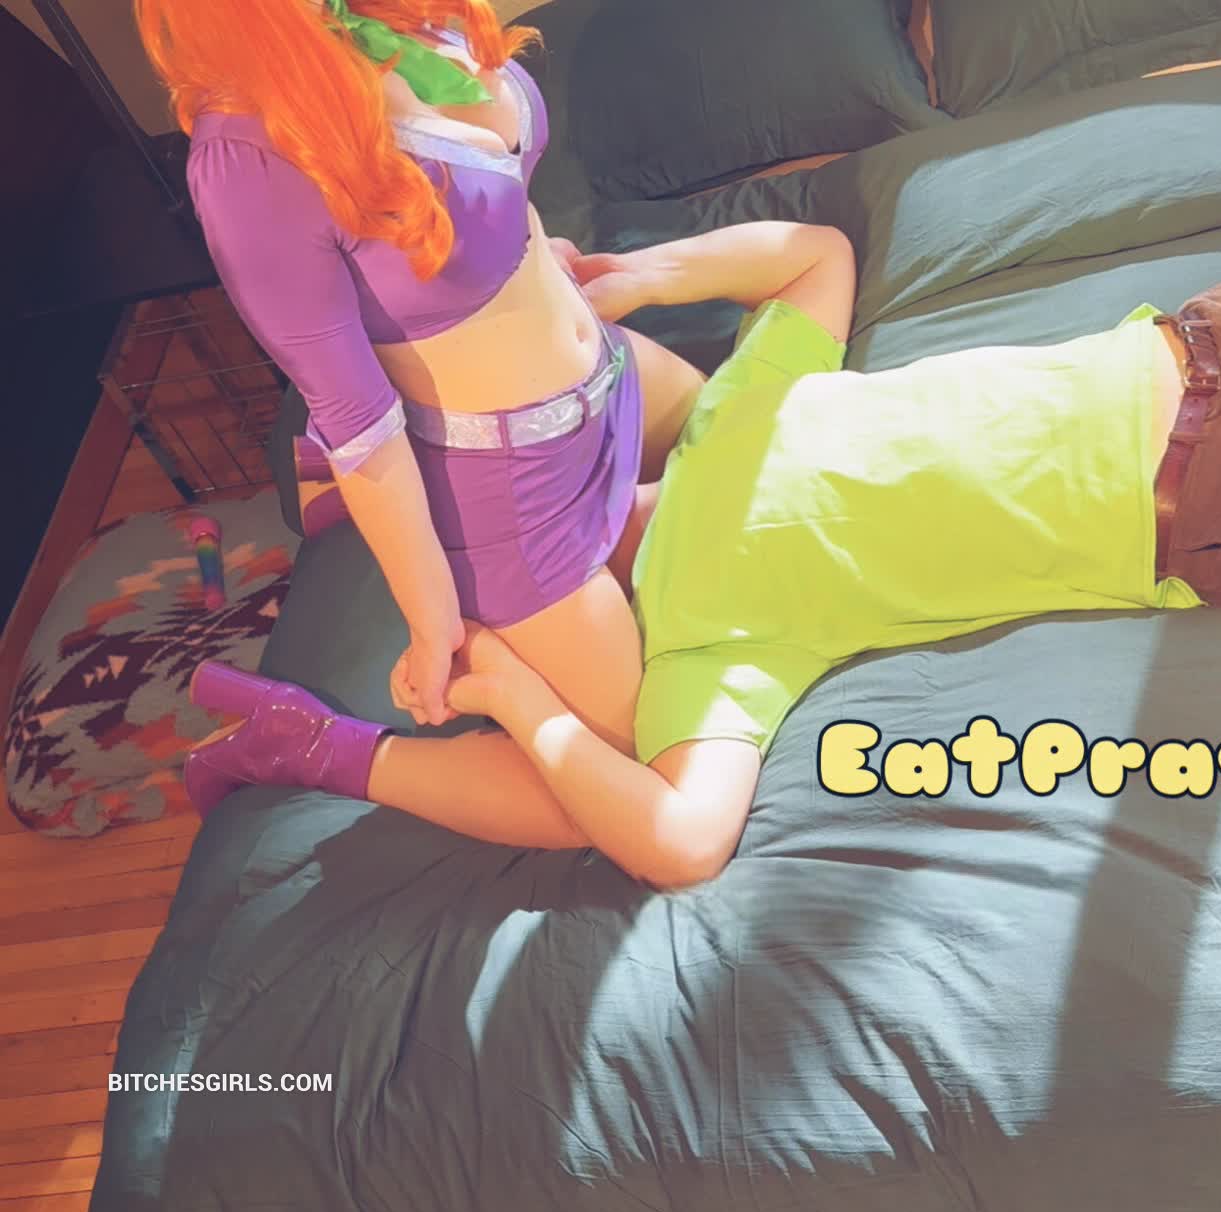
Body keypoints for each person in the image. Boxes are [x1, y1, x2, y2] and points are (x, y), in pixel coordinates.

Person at [186, 164, 1221, 977]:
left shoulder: (732, 420)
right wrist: (513, 699)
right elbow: (680, 837)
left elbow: (815, 255)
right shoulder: (714, 632)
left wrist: (641, 275)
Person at [135, 0, 851, 765]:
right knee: (639, 768)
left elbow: (481, 200)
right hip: (517, 492)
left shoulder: (394, 14)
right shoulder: (246, 160)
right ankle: (327, 750)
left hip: (611, 375)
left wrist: (538, 262)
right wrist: (431, 618)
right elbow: (357, 419)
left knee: (775, 480)